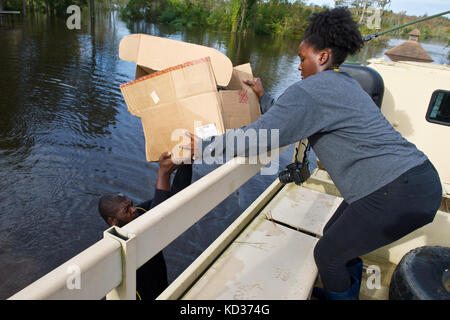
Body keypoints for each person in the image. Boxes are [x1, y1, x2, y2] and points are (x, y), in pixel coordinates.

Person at [184, 7, 442, 300]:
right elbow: (291, 121)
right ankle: (346, 291)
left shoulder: (311, 91)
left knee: (329, 255)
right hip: (417, 179)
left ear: (322, 56)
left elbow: (259, 137)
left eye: (302, 58)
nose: (298, 66)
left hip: (396, 192)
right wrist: (262, 95)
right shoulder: (343, 82)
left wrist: (203, 146)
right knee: (336, 234)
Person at [98, 152, 192, 300]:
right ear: (113, 222)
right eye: (126, 210)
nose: (133, 210)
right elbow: (157, 221)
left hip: (162, 286)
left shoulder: (139, 213)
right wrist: (164, 173)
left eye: (131, 204)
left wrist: (186, 162)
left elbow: (171, 200)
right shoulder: (117, 242)